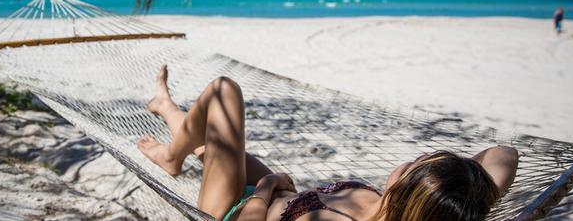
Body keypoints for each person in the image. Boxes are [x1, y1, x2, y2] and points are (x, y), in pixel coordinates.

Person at [138, 65, 519, 221]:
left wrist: (266, 189)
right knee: (211, 147)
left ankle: (172, 157)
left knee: (223, 92)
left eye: (418, 163)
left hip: (234, 208)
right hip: (274, 193)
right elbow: (505, 154)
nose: (415, 157)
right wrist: (459, 182)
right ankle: (167, 107)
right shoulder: (428, 209)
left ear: (407, 190)